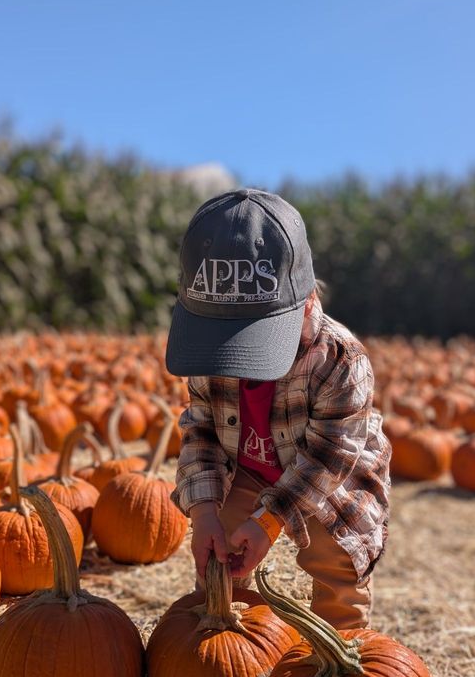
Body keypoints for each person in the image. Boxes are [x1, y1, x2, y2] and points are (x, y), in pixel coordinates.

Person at [165, 188, 390, 630]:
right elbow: (202, 432)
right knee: (220, 548)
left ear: (307, 301)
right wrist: (204, 512)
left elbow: (329, 458)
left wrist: (268, 523)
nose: (234, 357)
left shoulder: (339, 359)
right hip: (246, 464)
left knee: (336, 553)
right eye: (222, 339)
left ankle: (341, 646)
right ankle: (225, 627)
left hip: (328, 475)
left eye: (254, 339)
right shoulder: (206, 358)